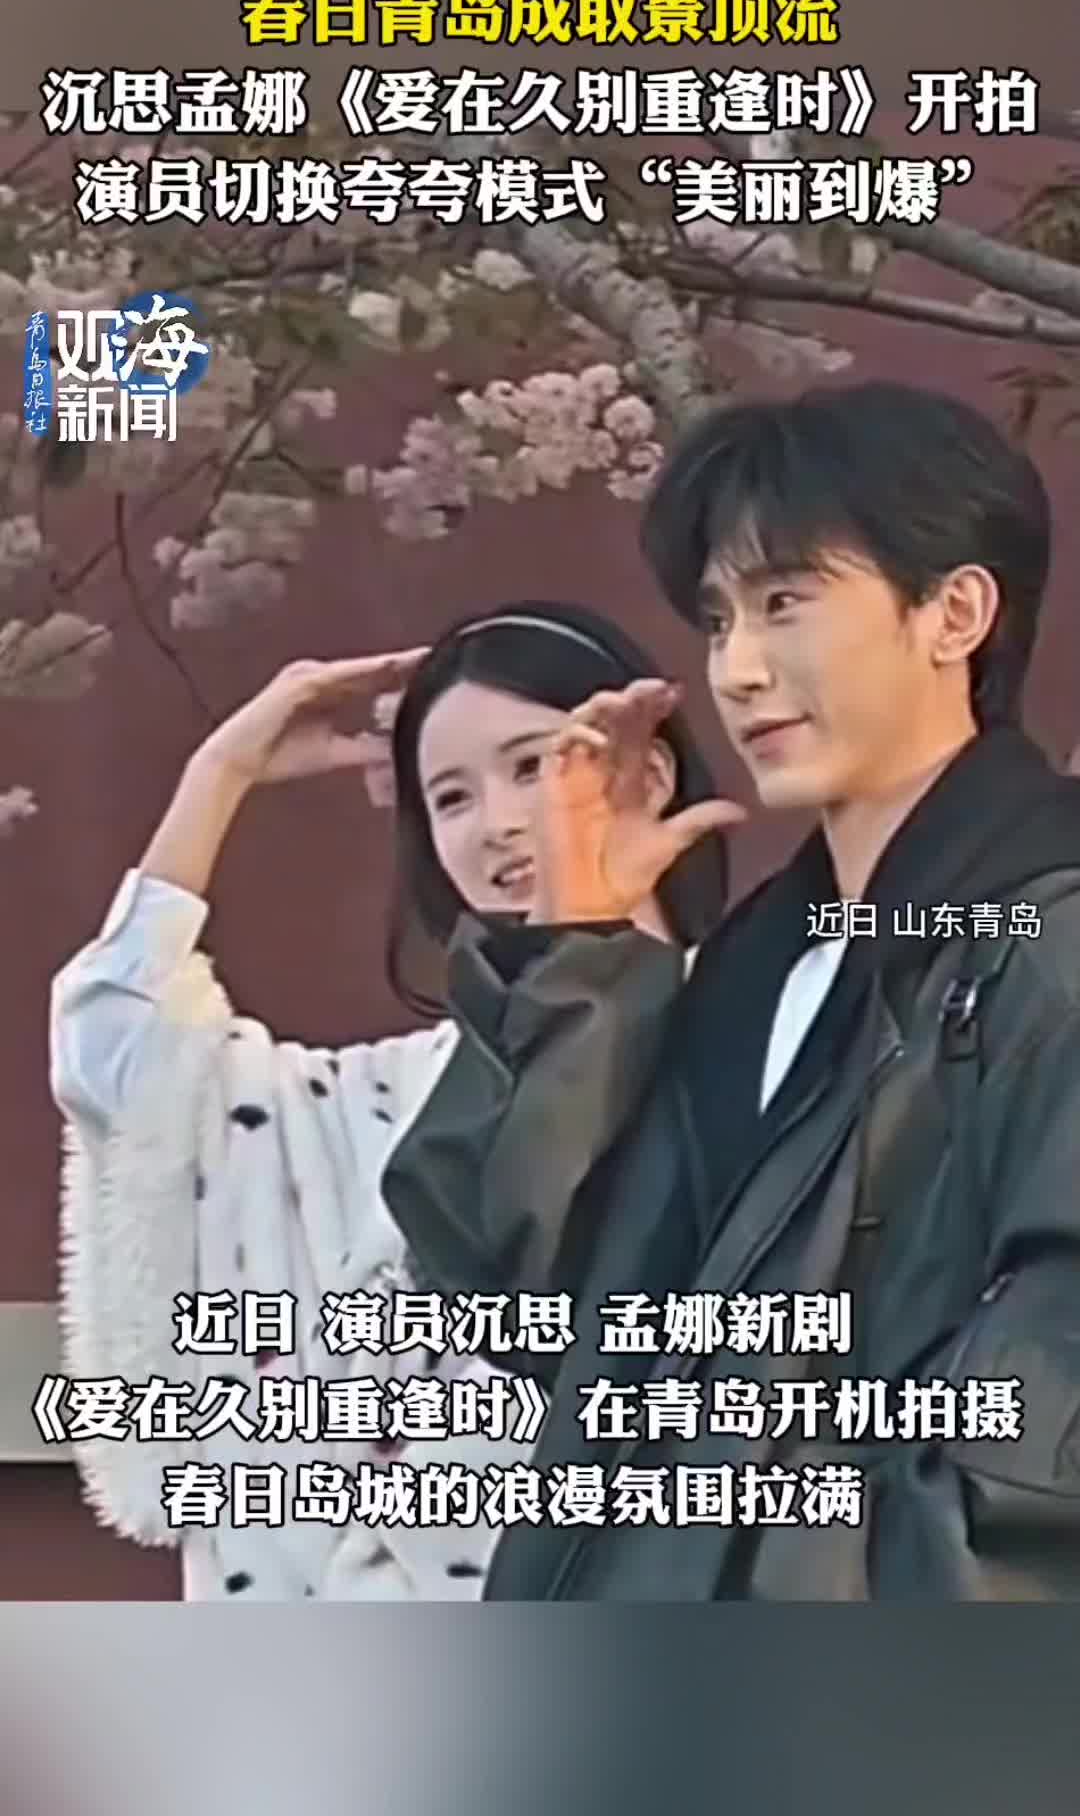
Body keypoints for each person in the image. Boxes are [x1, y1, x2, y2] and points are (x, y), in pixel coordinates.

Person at [384, 380, 1080, 1601]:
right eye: (717, 621)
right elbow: (521, 1309)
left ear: (955, 613)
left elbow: (1038, 1460)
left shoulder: (1039, 944)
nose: (739, 669)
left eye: (786, 602)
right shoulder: (755, 972)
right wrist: (579, 951)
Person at [49, 599, 733, 1600]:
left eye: (534, 766)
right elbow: (120, 1053)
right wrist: (220, 773)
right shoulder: (379, 1098)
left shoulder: (763, 1043)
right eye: (451, 797)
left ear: (649, 773)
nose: (499, 823)